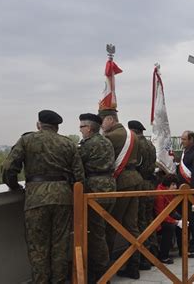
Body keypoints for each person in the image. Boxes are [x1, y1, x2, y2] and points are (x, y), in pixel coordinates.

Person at [1, 110, 85, 283]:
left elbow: (9, 168)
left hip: (36, 198)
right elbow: (79, 177)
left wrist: (15, 186)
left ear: (39, 124)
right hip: (63, 198)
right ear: (57, 126)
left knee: (38, 247)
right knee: (60, 246)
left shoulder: (27, 140)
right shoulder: (68, 144)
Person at [99, 108, 143, 280]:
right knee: (132, 226)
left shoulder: (110, 137)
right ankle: (134, 266)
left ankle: (106, 270)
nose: (101, 125)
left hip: (121, 183)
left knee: (111, 225)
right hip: (135, 179)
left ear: (110, 119)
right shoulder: (132, 135)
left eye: (102, 121)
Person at [78, 113, 116, 283]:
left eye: (81, 127)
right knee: (105, 230)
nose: (80, 130)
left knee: (96, 234)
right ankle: (104, 268)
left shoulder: (88, 145)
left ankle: (101, 275)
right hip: (110, 186)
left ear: (89, 128)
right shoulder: (107, 142)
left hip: (95, 189)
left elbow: (78, 165)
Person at [128, 120, 158, 271]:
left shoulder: (136, 145)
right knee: (149, 220)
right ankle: (153, 253)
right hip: (150, 185)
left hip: (139, 185)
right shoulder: (150, 145)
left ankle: (143, 259)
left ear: (132, 131)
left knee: (139, 222)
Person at [154, 174, 193, 264]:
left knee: (185, 221)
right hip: (159, 219)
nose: (175, 187)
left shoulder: (170, 192)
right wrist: (175, 221)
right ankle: (164, 256)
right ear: (167, 185)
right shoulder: (160, 194)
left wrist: (179, 220)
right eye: (173, 185)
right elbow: (161, 214)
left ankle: (184, 250)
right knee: (169, 227)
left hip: (169, 214)